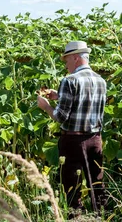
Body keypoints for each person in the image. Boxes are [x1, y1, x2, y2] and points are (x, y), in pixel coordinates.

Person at [37, 40, 107, 218]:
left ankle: (77, 219)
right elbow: (86, 101)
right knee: (97, 184)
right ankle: (102, 217)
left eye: (66, 60)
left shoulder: (70, 80)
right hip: (95, 139)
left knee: (72, 188)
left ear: (75, 58)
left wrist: (46, 106)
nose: (66, 64)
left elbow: (61, 117)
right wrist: (59, 96)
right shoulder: (101, 80)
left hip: (73, 141)